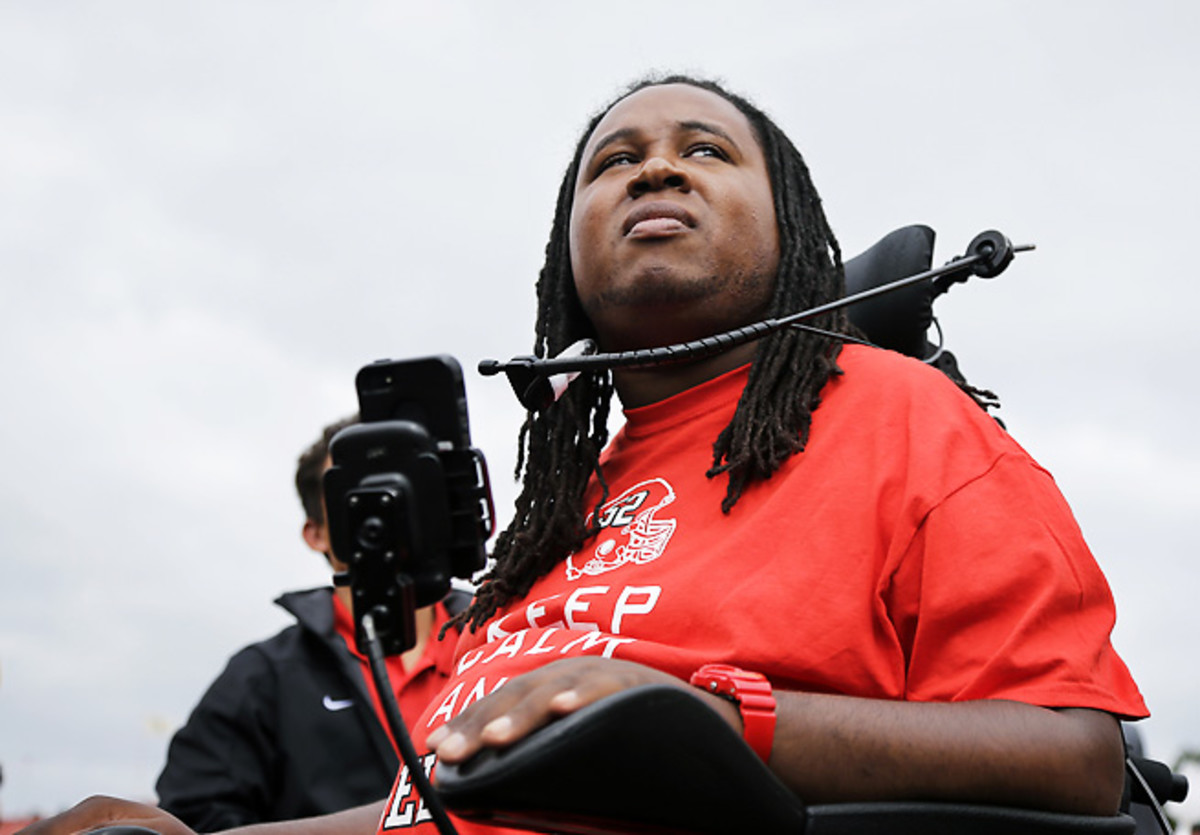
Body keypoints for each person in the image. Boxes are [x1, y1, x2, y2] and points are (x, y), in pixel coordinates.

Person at [20, 73, 1147, 835]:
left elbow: (1074, 760)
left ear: (792, 229)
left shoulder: (901, 417)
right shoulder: (559, 507)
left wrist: (713, 720)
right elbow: (442, 802)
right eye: (614, 163)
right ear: (566, 257)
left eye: (705, 150)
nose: (654, 171)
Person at [154, 416, 470, 831]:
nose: (384, 503)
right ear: (316, 533)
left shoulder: (508, 635)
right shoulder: (260, 678)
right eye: (355, 492)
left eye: (397, 483)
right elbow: (194, 817)